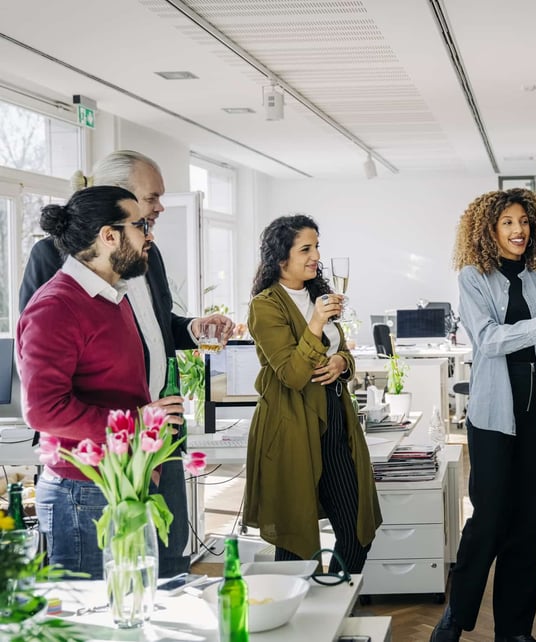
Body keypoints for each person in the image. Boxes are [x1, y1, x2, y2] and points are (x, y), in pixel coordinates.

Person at [18, 150, 233, 578]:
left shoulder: (114, 293)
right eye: (143, 216)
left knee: (155, 575)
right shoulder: (61, 294)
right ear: (110, 233)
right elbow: (43, 401)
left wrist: (191, 331)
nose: (153, 225)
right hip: (92, 469)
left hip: (144, 449)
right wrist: (136, 421)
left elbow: (152, 331)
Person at [431, 188, 536, 642]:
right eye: (508, 223)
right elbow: (489, 340)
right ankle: (455, 617)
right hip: (493, 416)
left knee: (528, 525)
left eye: (524, 221)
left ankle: (515, 631)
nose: (519, 230)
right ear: (489, 230)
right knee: (489, 519)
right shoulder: (473, 277)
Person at [243, 215, 381, 572]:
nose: (316, 255)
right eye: (306, 248)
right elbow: (291, 374)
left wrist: (341, 363)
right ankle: (296, 618)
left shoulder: (320, 295)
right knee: (296, 544)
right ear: (280, 258)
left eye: (317, 246)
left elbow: (342, 353)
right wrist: (316, 322)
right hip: (291, 430)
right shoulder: (265, 305)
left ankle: (329, 603)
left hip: (336, 422)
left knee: (357, 534)